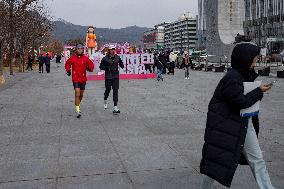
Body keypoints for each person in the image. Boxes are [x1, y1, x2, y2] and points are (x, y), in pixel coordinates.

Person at [200, 42, 275, 189]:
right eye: (254, 59)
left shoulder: (240, 75)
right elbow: (240, 101)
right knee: (220, 159)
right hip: (231, 125)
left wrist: (257, 88)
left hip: (241, 123)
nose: (255, 62)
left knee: (254, 159)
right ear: (245, 59)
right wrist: (259, 91)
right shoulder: (233, 77)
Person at [65, 44, 94, 118]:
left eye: (81, 49)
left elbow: (91, 64)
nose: (80, 50)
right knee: (77, 93)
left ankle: (78, 104)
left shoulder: (85, 58)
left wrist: (90, 68)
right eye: (78, 49)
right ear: (76, 50)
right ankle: (77, 110)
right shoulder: (72, 58)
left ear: (83, 50)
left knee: (81, 95)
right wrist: (68, 70)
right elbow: (67, 64)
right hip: (75, 78)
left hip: (83, 78)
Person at [99, 45, 124, 114]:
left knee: (115, 91)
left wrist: (122, 65)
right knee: (108, 90)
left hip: (115, 77)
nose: (113, 50)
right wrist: (107, 67)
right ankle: (105, 99)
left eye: (114, 49)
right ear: (109, 50)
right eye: (111, 49)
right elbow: (101, 67)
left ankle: (115, 107)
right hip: (108, 77)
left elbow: (122, 65)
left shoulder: (117, 57)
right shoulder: (105, 58)